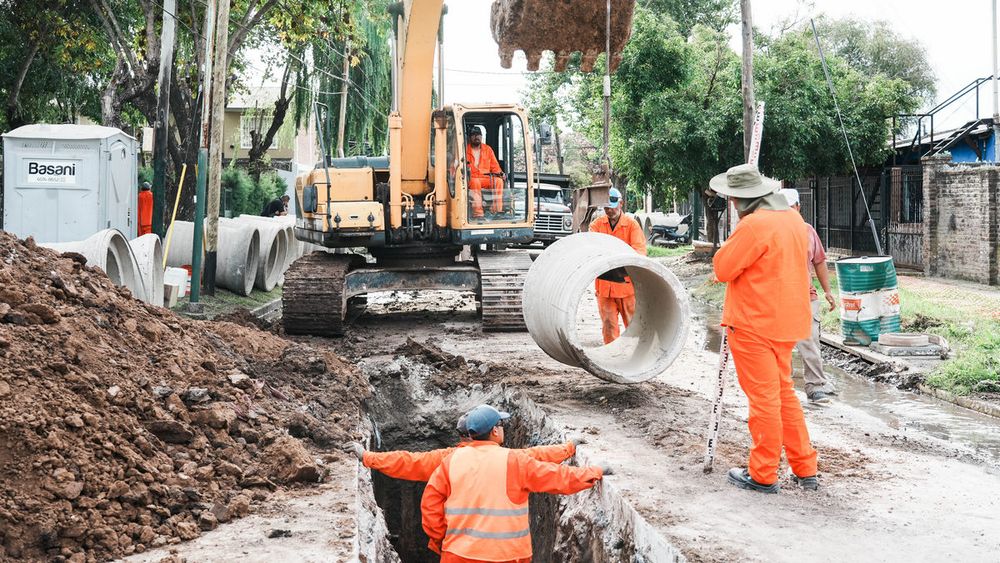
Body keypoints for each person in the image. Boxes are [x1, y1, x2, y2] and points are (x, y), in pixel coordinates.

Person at [710, 164, 819, 493]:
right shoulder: (794, 220)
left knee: (764, 401)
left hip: (754, 324)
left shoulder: (755, 225)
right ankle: (805, 468)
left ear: (740, 200)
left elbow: (722, 268)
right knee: (785, 395)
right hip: (786, 323)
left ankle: (763, 473)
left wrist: (737, 234)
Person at [421, 405, 607, 562]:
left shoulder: (451, 461)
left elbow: (430, 503)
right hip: (507, 556)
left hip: (458, 555)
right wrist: (595, 472)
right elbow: (558, 478)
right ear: (495, 431)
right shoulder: (514, 461)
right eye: (501, 424)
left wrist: (441, 540)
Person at [341, 413, 582, 482]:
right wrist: (569, 449)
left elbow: (408, 462)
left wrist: (367, 457)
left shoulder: (447, 459)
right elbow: (542, 463)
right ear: (495, 431)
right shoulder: (512, 459)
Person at [779, 188, 839, 405]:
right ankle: (782, 386)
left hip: (806, 296)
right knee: (781, 344)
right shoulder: (773, 232)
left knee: (810, 341)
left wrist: (828, 291)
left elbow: (819, 261)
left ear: (798, 207)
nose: (787, 212)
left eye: (790, 208)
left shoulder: (808, 231)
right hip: (778, 299)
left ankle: (815, 386)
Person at [589, 187, 646, 344]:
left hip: (626, 287)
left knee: (633, 325)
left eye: (612, 206)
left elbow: (639, 252)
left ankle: (635, 354)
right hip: (605, 287)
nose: (609, 210)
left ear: (621, 203)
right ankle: (613, 356)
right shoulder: (597, 225)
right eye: (606, 207)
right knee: (608, 325)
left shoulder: (631, 225)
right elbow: (592, 250)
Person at [465, 126, 505, 217]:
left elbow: (495, 166)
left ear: (481, 136)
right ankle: (478, 213)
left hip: (486, 178)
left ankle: (497, 210)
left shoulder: (488, 149)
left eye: (478, 135)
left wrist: (501, 174)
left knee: (498, 181)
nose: (476, 137)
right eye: (474, 135)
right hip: (472, 178)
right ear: (470, 137)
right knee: (475, 182)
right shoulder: (464, 150)